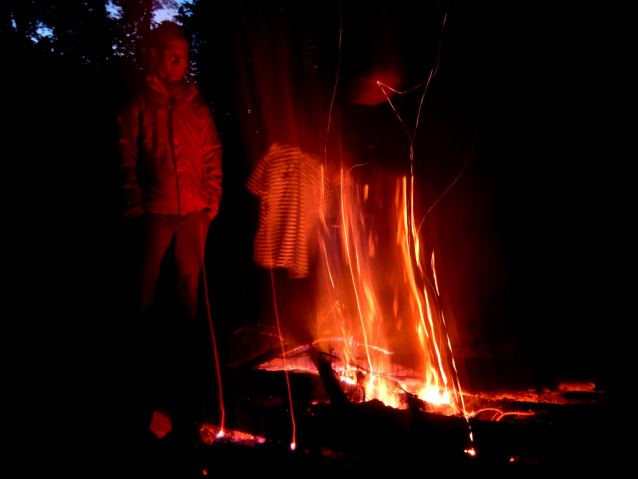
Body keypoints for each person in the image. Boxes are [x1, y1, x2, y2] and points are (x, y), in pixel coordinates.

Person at [117, 21, 222, 322]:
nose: (179, 62)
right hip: (153, 210)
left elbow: (213, 152)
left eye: (184, 56)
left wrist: (210, 205)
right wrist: (135, 206)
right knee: (143, 285)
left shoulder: (197, 106)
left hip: (194, 212)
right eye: (170, 54)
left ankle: (188, 351)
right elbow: (124, 152)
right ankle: (140, 343)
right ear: (154, 55)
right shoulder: (140, 102)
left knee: (189, 288)